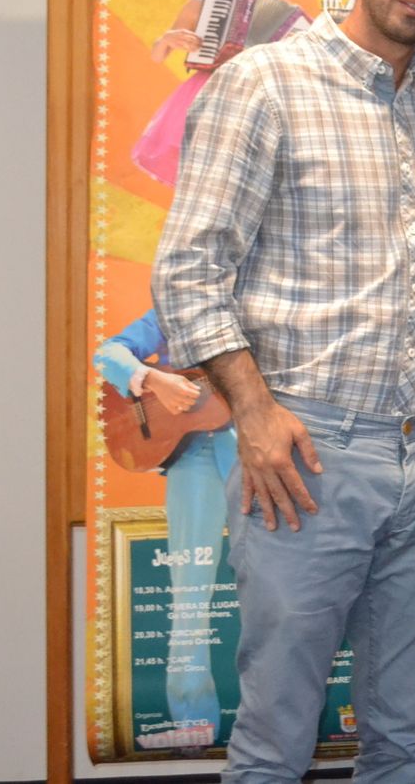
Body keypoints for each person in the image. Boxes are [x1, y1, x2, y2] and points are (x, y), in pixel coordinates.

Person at [152, 0, 415, 783]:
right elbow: (187, 271)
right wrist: (254, 411)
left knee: (405, 739)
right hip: (307, 452)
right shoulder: (262, 83)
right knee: (276, 740)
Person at [94, 308, 238, 752]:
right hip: (195, 457)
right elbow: (108, 354)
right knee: (190, 590)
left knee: (278, 592)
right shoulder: (178, 307)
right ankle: (194, 720)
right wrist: (153, 380)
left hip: (260, 450)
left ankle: (274, 720)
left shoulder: (279, 298)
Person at [133, 0, 307, 184]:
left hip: (253, 96)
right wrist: (168, 39)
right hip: (208, 91)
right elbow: (158, 56)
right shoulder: (199, 4)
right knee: (205, 175)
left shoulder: (283, 13)